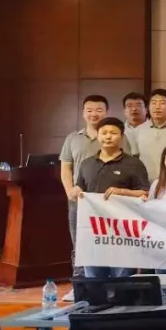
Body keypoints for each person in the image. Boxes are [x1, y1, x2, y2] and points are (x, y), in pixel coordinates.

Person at [68, 117, 149, 279]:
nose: (108, 136)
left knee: (121, 280)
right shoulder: (87, 164)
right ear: (98, 136)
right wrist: (75, 191)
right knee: (94, 280)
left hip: (122, 233)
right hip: (93, 231)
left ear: (122, 136)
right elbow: (80, 187)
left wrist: (122, 192)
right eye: (104, 133)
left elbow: (144, 193)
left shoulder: (134, 164)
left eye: (113, 133)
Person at [59, 94, 107, 266]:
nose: (94, 114)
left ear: (106, 112)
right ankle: (79, 279)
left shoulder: (115, 136)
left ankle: (106, 281)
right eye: (89, 110)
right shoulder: (73, 138)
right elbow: (66, 168)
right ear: (83, 113)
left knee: (107, 243)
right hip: (79, 198)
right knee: (79, 243)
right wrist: (69, 192)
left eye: (99, 110)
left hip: (107, 200)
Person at [126, 89, 166, 182]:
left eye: (162, 103)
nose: (157, 107)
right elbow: (134, 159)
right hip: (144, 183)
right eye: (153, 103)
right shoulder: (139, 130)